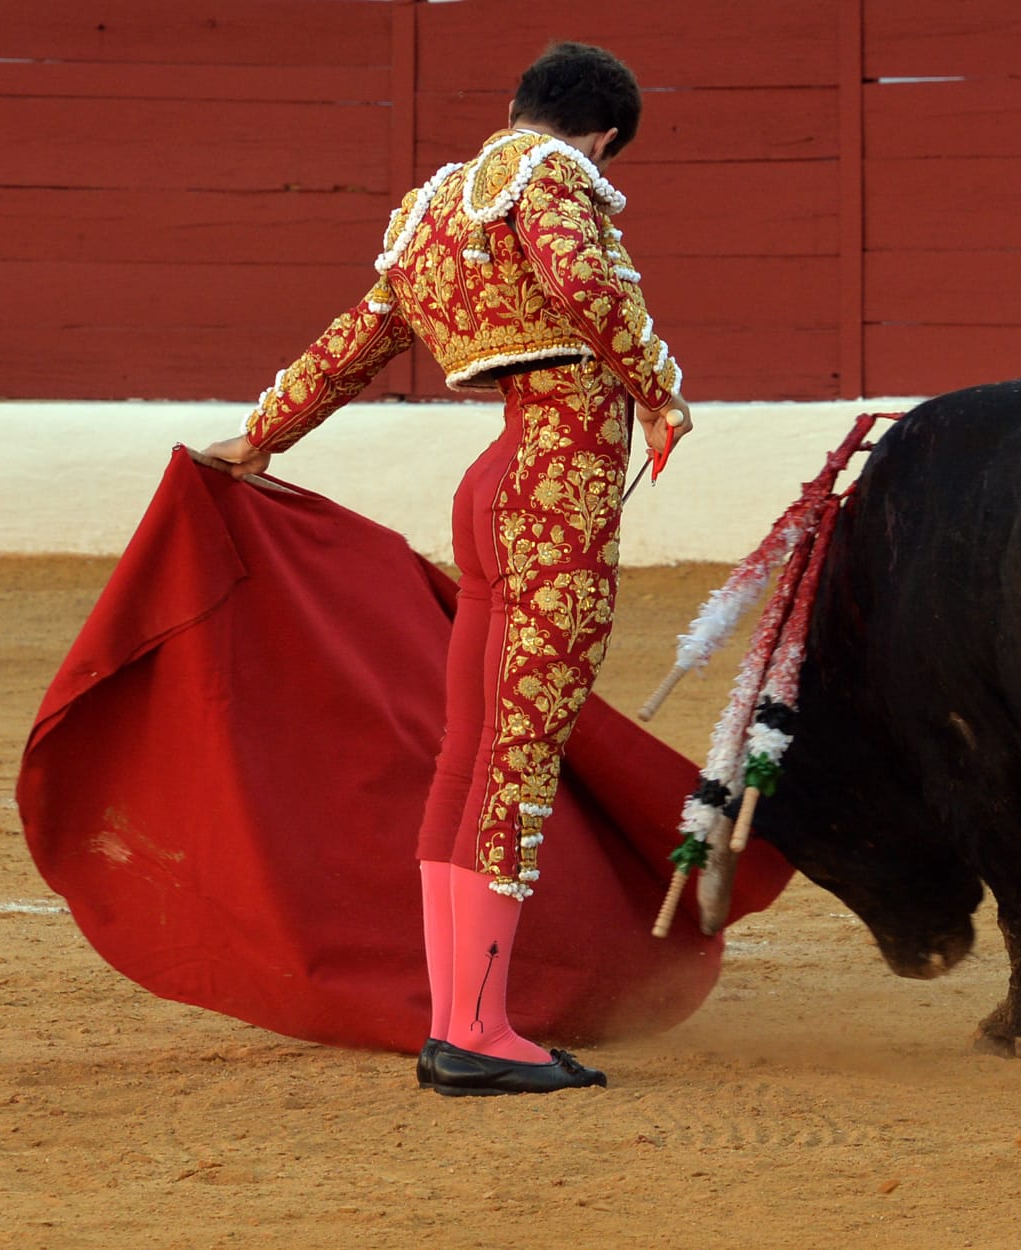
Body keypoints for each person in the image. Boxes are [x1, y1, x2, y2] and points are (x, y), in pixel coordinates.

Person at [201, 42, 692, 1096]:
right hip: (553, 481)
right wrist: (657, 386)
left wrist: (264, 434)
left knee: (468, 753)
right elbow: (578, 273)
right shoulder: (552, 176)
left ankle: (457, 1016)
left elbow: (363, 333)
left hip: (492, 486)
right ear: (601, 136)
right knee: (512, 756)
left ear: (517, 104)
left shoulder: (433, 206)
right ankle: (475, 1031)